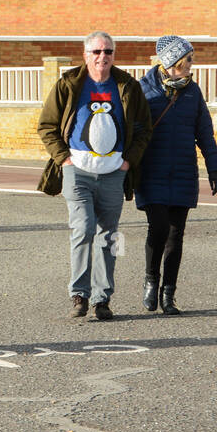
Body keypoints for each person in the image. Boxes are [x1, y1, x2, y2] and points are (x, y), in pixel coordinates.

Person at [37, 30, 153, 321]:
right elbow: (47, 126)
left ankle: (102, 299)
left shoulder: (127, 86)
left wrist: (128, 162)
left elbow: (143, 129)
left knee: (108, 236)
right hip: (77, 171)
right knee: (84, 228)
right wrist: (63, 159)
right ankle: (79, 295)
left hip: (114, 172)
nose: (103, 57)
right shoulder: (68, 84)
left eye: (108, 52)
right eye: (97, 52)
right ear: (86, 55)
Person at [136, 36, 217, 316]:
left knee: (176, 234)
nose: (190, 65)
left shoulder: (192, 92)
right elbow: (132, 130)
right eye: (187, 60)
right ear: (172, 62)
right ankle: (151, 282)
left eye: (191, 60)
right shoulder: (144, 91)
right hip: (152, 171)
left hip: (183, 170)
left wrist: (214, 167)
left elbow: (204, 133)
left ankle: (168, 295)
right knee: (158, 227)